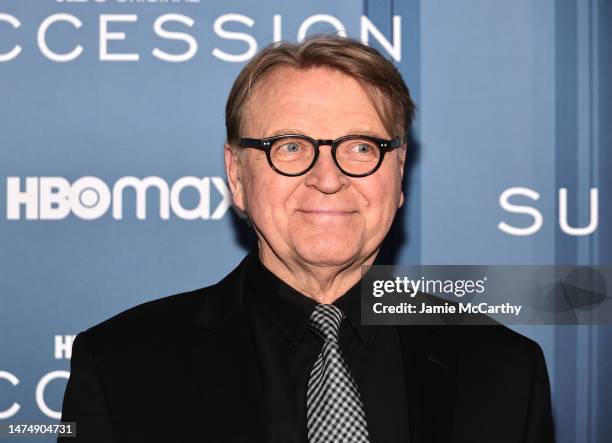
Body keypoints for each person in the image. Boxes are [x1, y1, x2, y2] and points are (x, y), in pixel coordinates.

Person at [59, 35, 555, 443]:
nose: (328, 177)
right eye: (290, 146)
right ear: (236, 175)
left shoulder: (505, 367)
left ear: (398, 173)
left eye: (361, 147)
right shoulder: (121, 366)